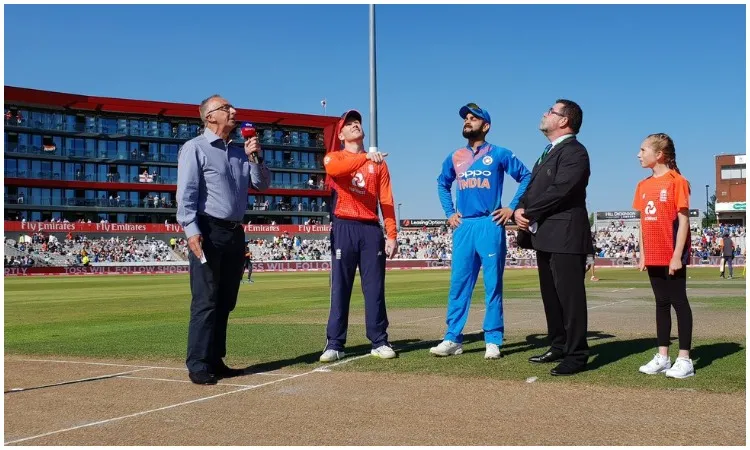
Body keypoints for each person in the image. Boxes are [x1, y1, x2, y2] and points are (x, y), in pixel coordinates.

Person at [177, 94, 271, 385]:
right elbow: (186, 193)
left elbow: (262, 184)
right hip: (207, 229)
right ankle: (198, 363)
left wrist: (255, 157)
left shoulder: (241, 151)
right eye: (226, 108)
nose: (234, 111)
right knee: (205, 299)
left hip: (234, 232)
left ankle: (216, 359)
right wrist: (191, 230)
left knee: (226, 300)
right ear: (210, 117)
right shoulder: (195, 148)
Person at [430, 103, 531, 359]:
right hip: (464, 226)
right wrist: (449, 212)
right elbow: (442, 183)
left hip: (490, 223)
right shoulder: (455, 156)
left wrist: (511, 207)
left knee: (492, 285)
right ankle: (453, 338)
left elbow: (526, 176)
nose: (467, 121)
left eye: (473, 118)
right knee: (459, 284)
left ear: (486, 126)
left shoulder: (499, 153)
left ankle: (493, 340)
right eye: (465, 117)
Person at [514, 99, 593, 376]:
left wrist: (529, 212)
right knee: (551, 297)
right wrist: (519, 208)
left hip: (566, 235)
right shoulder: (548, 151)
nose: (545, 113)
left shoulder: (575, 152)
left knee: (570, 298)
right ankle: (558, 345)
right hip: (546, 235)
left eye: (551, 111)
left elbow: (562, 189)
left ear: (563, 120)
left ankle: (577, 354)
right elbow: (533, 187)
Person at [320, 109, 399, 362]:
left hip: (370, 229)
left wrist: (392, 234)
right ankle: (335, 343)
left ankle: (379, 340)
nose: (355, 125)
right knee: (340, 287)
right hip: (343, 225)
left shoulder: (378, 164)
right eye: (349, 124)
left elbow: (386, 200)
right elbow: (337, 170)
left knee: (374, 288)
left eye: (357, 122)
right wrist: (365, 157)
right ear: (341, 134)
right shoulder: (334, 157)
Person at [633, 133, 694, 379]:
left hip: (672, 254)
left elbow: (684, 221)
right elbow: (642, 223)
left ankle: (685, 360)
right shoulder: (642, 185)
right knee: (660, 303)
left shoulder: (677, 181)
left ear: (658, 154)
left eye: (643, 150)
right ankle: (663, 357)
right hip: (654, 254)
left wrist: (677, 255)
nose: (638, 155)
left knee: (679, 302)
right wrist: (643, 254)